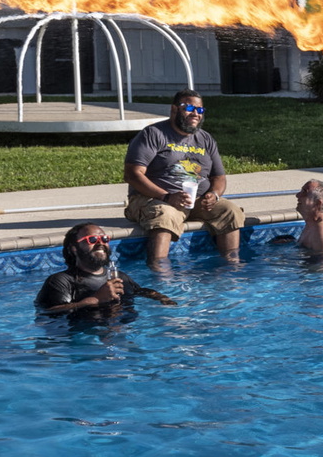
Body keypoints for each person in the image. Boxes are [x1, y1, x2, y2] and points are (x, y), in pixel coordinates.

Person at [123, 91, 246, 266]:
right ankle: (160, 272)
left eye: (200, 110)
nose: (195, 113)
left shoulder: (205, 139)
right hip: (154, 199)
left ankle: (231, 268)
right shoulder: (153, 134)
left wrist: (214, 195)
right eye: (189, 108)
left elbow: (219, 176)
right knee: (166, 215)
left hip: (198, 201)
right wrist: (166, 196)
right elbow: (132, 174)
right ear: (174, 109)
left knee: (230, 211)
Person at [34, 223, 173, 315]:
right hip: (84, 338)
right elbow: (48, 312)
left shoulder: (119, 277)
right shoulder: (61, 281)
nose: (100, 243)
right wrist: (95, 299)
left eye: (104, 239)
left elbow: (138, 291)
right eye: (92, 240)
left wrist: (161, 298)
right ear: (74, 249)